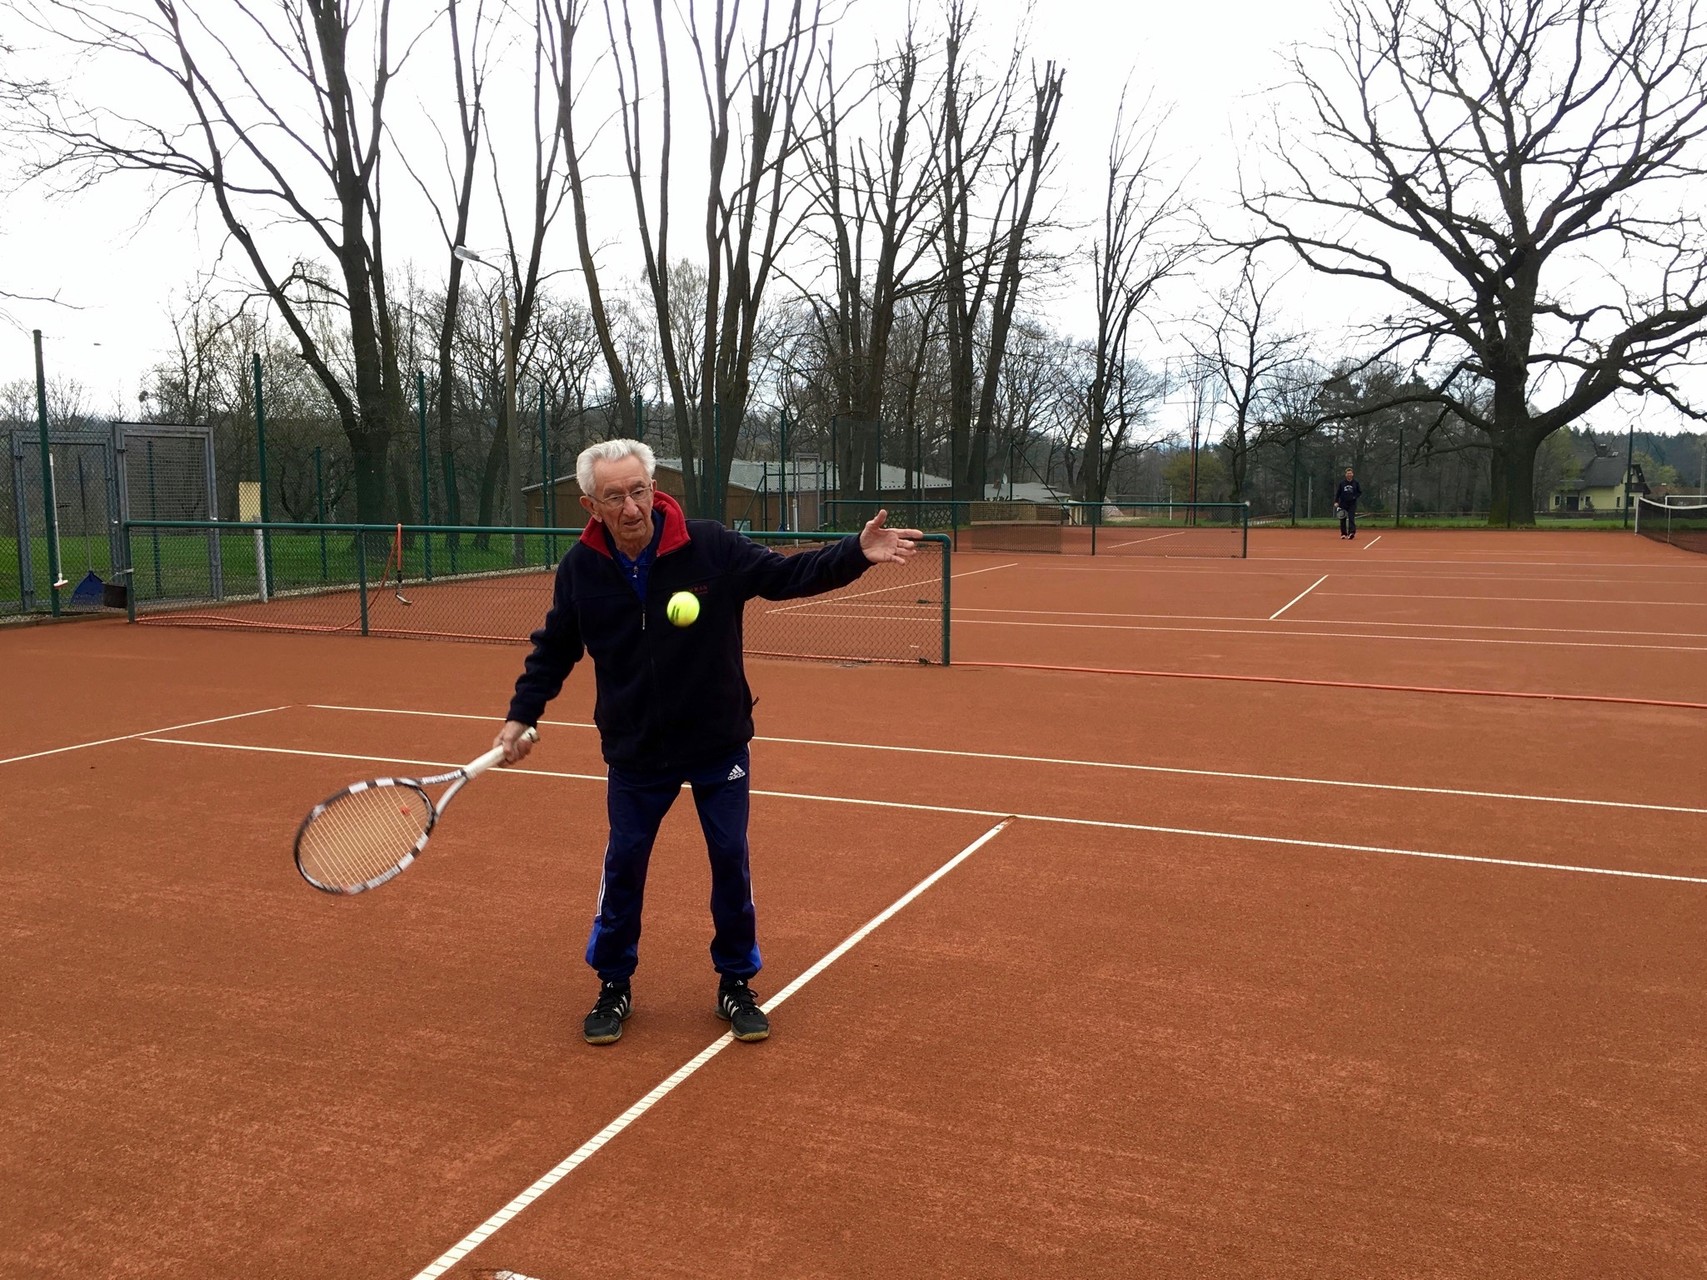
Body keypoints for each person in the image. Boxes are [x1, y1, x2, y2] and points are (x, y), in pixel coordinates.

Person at [494, 439, 923, 1046]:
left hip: (717, 741)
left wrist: (855, 552)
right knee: (624, 868)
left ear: (654, 487)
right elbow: (556, 646)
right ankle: (613, 983)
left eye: (639, 490)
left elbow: (784, 575)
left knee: (729, 862)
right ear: (591, 506)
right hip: (636, 750)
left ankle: (735, 983)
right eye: (614, 496)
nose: (632, 507)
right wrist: (522, 715)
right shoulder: (581, 570)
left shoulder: (710, 546)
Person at [1334, 466, 1363, 539]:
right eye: (1348, 473)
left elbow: (1359, 492)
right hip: (1343, 503)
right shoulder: (1342, 483)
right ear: (1345, 474)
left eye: (1350, 473)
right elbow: (1338, 493)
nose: (1349, 475)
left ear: (1352, 474)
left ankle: (1351, 533)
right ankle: (1343, 534)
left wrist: (1354, 497)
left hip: (1352, 504)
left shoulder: (1356, 483)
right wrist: (1336, 501)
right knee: (1342, 518)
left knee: (1351, 518)